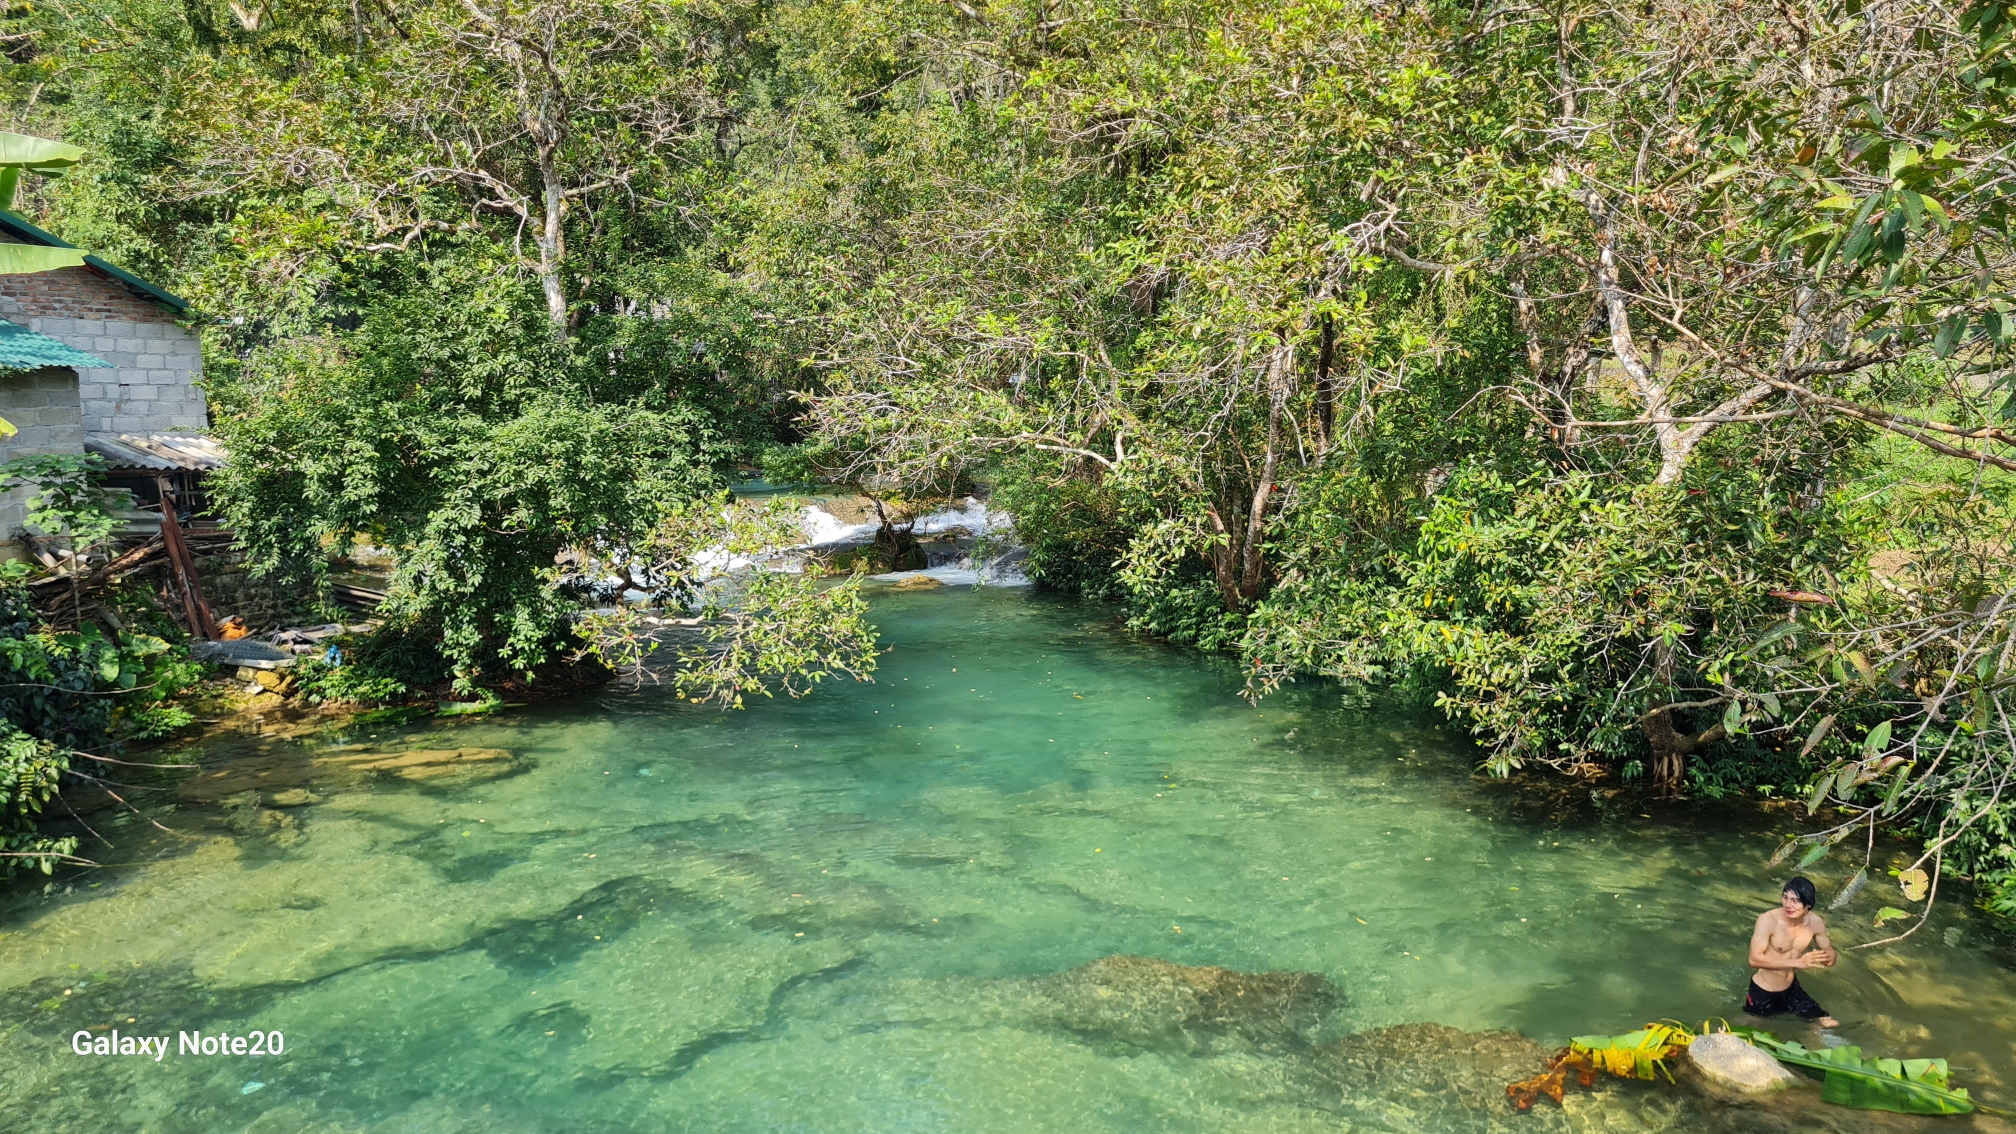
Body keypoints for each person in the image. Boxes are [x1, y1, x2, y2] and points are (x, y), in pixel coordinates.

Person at [1744, 875, 1839, 1028]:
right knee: (1750, 1029)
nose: (1788, 905)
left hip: (1792, 989)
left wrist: (1828, 958)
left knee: (1828, 1023)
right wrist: (1798, 962)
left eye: (1795, 901)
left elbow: (1830, 954)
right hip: (1763, 991)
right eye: (1785, 898)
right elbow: (1754, 960)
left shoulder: (1815, 923)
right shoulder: (1768, 920)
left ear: (1808, 904)